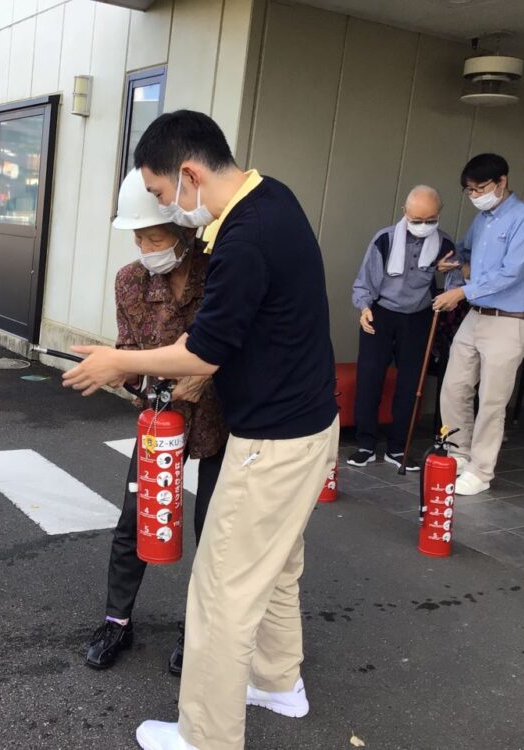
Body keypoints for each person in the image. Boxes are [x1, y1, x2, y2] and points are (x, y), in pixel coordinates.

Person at [62, 110, 338, 750]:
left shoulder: (244, 237)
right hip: (306, 424)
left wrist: (118, 362)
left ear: (188, 175)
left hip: (273, 439)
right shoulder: (274, 198)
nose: (166, 210)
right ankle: (276, 683)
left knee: (221, 591)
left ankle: (205, 737)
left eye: (161, 195)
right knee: (278, 568)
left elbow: (204, 352)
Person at [86, 169, 228, 675]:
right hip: (159, 419)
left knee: (214, 531)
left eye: (156, 237)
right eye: (138, 237)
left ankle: (200, 631)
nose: (146, 247)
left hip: (220, 418)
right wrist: (133, 379)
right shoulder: (129, 281)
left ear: (186, 234)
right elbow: (127, 354)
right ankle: (116, 621)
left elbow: (236, 345)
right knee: (136, 520)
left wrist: (204, 377)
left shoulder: (220, 274)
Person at [433, 153, 524, 495]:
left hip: (509, 320)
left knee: (492, 399)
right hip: (477, 314)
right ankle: (457, 453)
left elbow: (511, 274)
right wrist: (453, 263)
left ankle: (481, 471)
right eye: (469, 191)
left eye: (479, 188)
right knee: (454, 386)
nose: (475, 196)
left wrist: (461, 290)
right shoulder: (483, 218)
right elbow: (465, 251)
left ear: (502, 181)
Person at [349, 185, 456, 470]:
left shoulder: (444, 244)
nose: (423, 226)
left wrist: (448, 289)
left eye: (430, 219)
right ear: (405, 213)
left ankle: (398, 447)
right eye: (417, 219)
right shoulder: (384, 238)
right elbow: (365, 279)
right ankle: (365, 444)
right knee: (370, 378)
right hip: (380, 312)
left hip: (418, 315)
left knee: (411, 383)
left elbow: (456, 284)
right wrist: (364, 308)